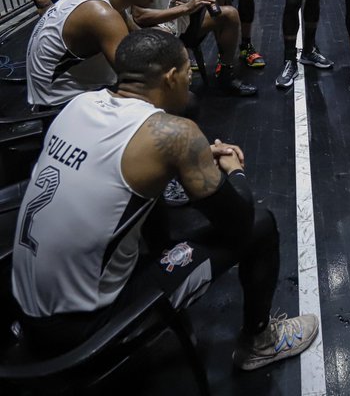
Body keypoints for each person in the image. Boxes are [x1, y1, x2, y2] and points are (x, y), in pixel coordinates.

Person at [13, 28, 319, 370]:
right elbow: (239, 222)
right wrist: (234, 170)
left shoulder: (78, 104)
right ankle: (261, 342)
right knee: (262, 225)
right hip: (78, 331)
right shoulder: (175, 135)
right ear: (171, 77)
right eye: (189, 74)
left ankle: (161, 268)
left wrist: (192, 159)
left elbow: (128, 166)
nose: (190, 83)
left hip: (24, 309)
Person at [26, 0, 159, 108]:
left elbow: (138, 35)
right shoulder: (103, 15)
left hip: (54, 94)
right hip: (58, 105)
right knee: (172, 100)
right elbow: (134, 78)